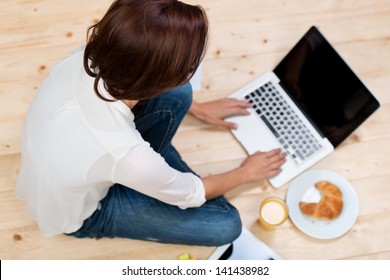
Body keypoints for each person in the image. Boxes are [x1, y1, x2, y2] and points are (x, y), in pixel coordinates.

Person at [16, 0, 286, 246]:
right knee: (226, 225)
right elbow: (192, 193)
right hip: (82, 212)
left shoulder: (91, 54)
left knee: (181, 95)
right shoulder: (126, 154)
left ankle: (153, 177)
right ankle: (149, 180)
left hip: (65, 159)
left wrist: (199, 109)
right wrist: (246, 173)